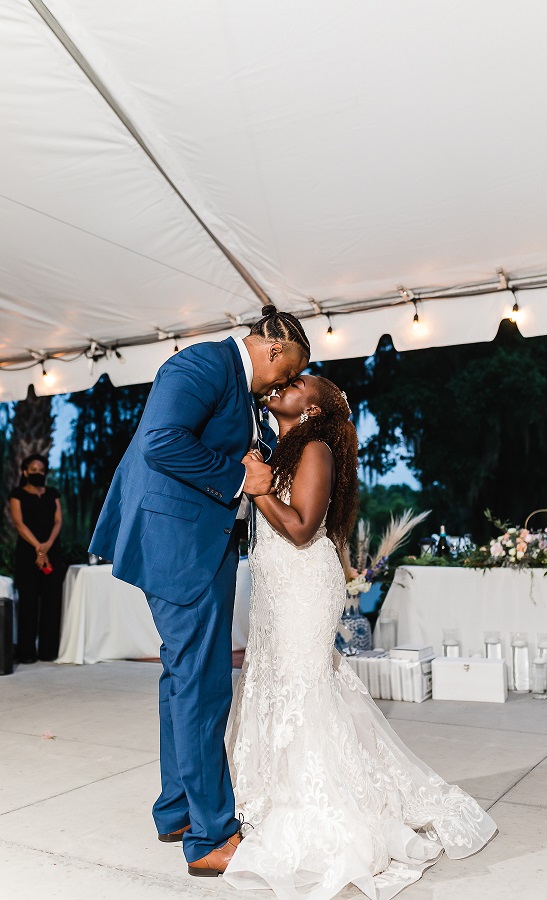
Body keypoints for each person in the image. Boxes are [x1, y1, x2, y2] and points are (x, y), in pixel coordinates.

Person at [224, 374, 497, 899]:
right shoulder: (280, 448)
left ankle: (317, 806)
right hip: (276, 586)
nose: (283, 384)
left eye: (298, 382)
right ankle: (267, 793)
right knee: (273, 681)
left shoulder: (317, 450)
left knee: (303, 689)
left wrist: (258, 490)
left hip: (303, 586)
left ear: (315, 410)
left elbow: (303, 527)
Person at [89, 306, 310, 876]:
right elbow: (161, 442)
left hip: (196, 542)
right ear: (275, 349)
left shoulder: (231, 379)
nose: (282, 386)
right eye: (287, 375)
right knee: (204, 684)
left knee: (182, 678)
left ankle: (177, 811)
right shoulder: (204, 364)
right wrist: (239, 478)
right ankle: (211, 836)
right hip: (177, 544)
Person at [9, 454, 64, 663]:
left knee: (52, 603)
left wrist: (48, 545)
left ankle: (49, 652)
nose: (38, 474)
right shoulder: (17, 494)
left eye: (41, 470)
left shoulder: (52, 493)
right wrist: (39, 549)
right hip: (27, 555)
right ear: (25, 472)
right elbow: (19, 524)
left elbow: (58, 521)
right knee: (28, 603)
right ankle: (26, 653)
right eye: (33, 470)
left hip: (53, 552)